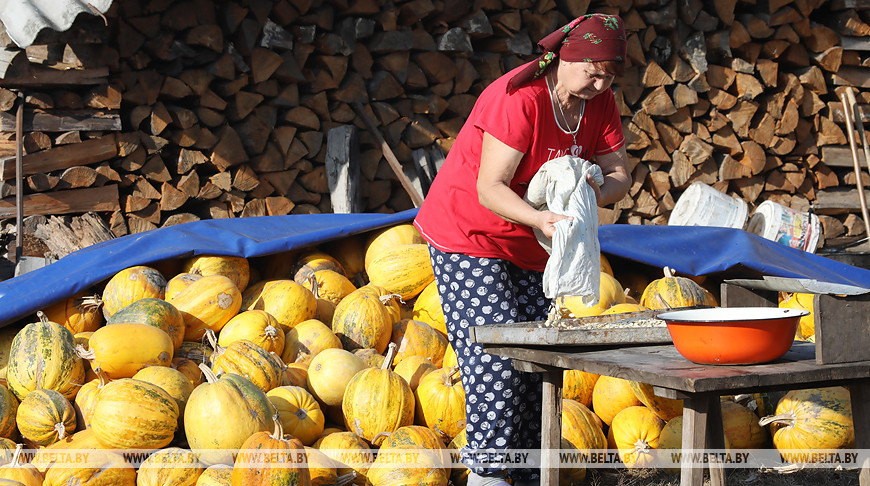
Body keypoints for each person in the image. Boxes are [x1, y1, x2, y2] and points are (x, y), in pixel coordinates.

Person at [413, 13, 631, 486]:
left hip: (536, 245)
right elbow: (490, 187)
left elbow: (620, 175)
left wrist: (587, 189)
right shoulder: (520, 99)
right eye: (591, 71)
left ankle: (530, 473)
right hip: (469, 236)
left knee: (537, 362)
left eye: (608, 75)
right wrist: (539, 218)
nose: (598, 83)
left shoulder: (602, 103)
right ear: (564, 58)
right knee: (495, 362)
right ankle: (488, 475)